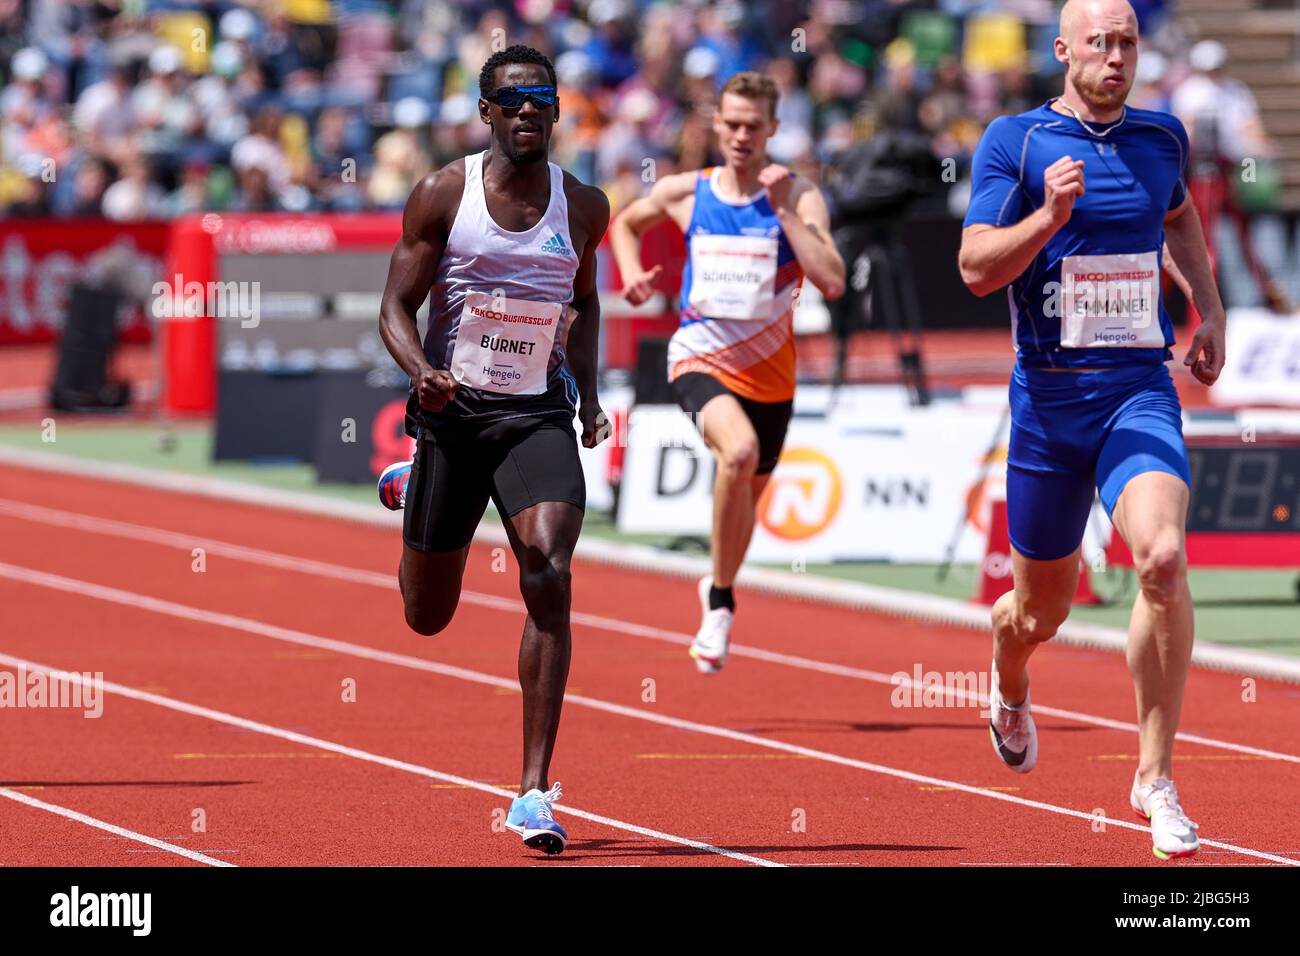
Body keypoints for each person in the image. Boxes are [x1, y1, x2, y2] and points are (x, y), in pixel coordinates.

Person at [958, 0, 1226, 860]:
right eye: (1099, 43)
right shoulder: (1017, 141)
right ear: (1064, 48)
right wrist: (1049, 220)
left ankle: (1155, 777)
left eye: (1128, 43)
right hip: (1047, 405)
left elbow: (1178, 216)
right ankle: (1009, 679)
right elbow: (972, 269)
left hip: (1137, 390)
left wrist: (1207, 307)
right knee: (1040, 613)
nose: (1116, 57)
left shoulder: (1162, 139)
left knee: (1163, 557)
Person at [374, 45, 610, 855]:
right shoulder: (445, 193)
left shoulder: (584, 206)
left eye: (540, 99)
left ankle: (533, 792)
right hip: (454, 415)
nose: (526, 112)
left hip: (535, 412)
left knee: (549, 566)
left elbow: (583, 305)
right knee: (426, 615)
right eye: (511, 101)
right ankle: (419, 481)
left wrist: (591, 394)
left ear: (555, 108)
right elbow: (394, 308)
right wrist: (422, 373)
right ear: (487, 114)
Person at [610, 72, 845, 674]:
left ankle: (720, 587)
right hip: (698, 355)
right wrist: (633, 272)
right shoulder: (688, 192)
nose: (741, 136)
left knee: (747, 503)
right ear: (717, 125)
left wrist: (785, 213)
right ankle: (719, 604)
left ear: (773, 128)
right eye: (732, 124)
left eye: (753, 126)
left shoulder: (799, 195)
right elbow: (625, 224)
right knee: (736, 455)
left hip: (772, 378)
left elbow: (833, 279)